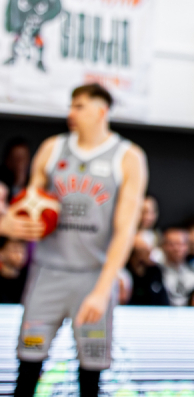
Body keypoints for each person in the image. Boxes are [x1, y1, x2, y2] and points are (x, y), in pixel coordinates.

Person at [0, 83, 148, 397]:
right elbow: (29, 203)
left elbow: (125, 230)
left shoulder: (128, 156)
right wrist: (9, 222)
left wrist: (102, 290)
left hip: (93, 276)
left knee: (91, 371)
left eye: (79, 106)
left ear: (101, 111)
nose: (71, 112)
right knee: (28, 362)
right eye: (70, 105)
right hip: (47, 272)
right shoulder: (52, 148)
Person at [160, 226, 194, 306]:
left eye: (181, 244)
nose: (177, 248)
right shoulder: (155, 273)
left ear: (188, 246)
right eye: (172, 244)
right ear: (163, 246)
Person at [125, 237, 169, 306]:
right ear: (135, 254)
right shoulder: (125, 273)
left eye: (149, 250)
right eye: (145, 251)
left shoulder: (155, 271)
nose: (149, 254)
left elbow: (163, 299)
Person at [0, 238, 28, 304]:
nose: (19, 255)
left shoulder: (30, 278)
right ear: (1, 253)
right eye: (15, 251)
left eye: (22, 251)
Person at [137, 194, 163, 264]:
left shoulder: (157, 236)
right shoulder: (130, 236)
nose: (148, 217)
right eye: (143, 212)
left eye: (152, 212)